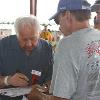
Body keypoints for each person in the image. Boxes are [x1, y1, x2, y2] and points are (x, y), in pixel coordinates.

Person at [27, 0, 100, 100]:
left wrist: (38, 96)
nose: (59, 25)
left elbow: (60, 98)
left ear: (68, 15)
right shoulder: (97, 36)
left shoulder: (67, 44)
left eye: (57, 20)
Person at [0, 15, 53, 100]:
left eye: (33, 39)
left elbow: (52, 79)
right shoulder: (3, 46)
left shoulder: (46, 48)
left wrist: (45, 87)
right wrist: (8, 80)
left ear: (39, 34)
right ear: (17, 35)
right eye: (24, 39)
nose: (29, 44)